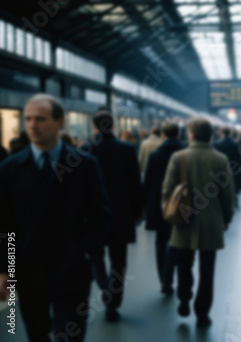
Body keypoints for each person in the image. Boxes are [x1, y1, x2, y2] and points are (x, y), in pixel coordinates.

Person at [0, 94, 110, 341]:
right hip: (28, 271)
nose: (32, 125)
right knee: (37, 334)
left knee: (70, 335)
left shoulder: (84, 165)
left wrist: (85, 251)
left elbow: (100, 215)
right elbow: (5, 225)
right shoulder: (10, 169)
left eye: (40, 119)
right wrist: (5, 269)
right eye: (27, 119)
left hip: (72, 270)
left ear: (60, 122)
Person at [162, 117, 234, 327]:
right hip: (211, 223)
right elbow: (227, 194)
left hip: (184, 220)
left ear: (191, 134)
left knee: (184, 263)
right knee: (207, 269)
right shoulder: (220, 159)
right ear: (211, 135)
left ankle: (184, 298)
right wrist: (227, 217)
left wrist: (171, 214)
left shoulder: (179, 157)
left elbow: (167, 191)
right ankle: (202, 313)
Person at [81, 110, 143, 321]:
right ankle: (113, 302)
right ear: (113, 125)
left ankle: (105, 289)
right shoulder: (127, 149)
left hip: (92, 215)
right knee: (119, 260)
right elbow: (135, 183)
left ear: (94, 125)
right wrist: (137, 211)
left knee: (95, 256)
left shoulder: (85, 149)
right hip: (121, 213)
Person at [143, 121, 185, 295]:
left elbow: (147, 183)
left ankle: (164, 280)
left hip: (160, 205)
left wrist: (144, 206)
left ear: (163, 135)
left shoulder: (155, 155)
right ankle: (171, 276)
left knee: (161, 241)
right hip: (183, 203)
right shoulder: (185, 153)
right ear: (179, 134)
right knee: (178, 240)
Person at [214, 126, 241, 207]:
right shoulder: (235, 144)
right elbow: (238, 157)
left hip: (221, 167)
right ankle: (234, 198)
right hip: (233, 166)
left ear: (221, 133)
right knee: (233, 183)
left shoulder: (217, 144)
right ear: (230, 133)